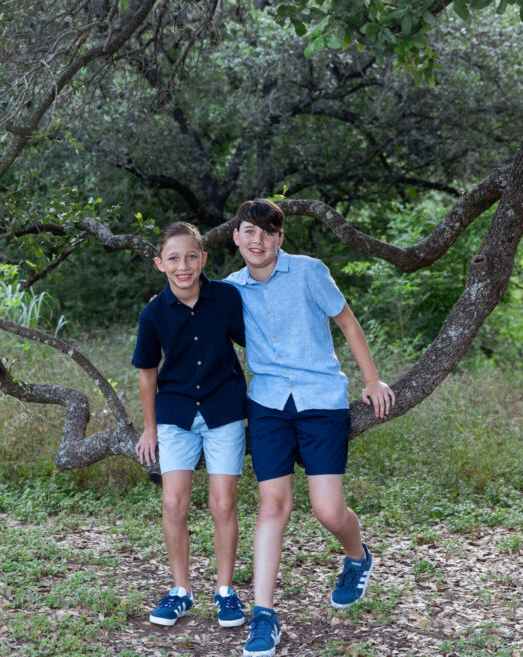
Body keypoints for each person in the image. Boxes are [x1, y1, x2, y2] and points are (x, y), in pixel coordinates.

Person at [225, 199, 395, 657]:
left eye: (266, 231)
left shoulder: (308, 271)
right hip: (267, 405)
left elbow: (347, 322)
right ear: (235, 238)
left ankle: (358, 558)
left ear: (279, 239)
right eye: (247, 231)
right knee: (272, 505)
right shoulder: (228, 290)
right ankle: (264, 616)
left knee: (328, 511)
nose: (256, 239)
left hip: (321, 400)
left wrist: (373, 379)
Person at [132, 221, 250, 630]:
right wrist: (150, 429)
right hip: (176, 413)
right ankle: (180, 590)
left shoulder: (227, 298)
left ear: (203, 258)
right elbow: (148, 374)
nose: (183, 266)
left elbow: (255, 339)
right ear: (159, 264)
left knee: (223, 504)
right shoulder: (153, 313)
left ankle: (225, 591)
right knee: (173, 503)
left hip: (223, 409)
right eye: (173, 258)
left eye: (190, 256)